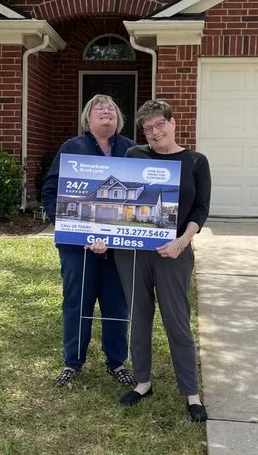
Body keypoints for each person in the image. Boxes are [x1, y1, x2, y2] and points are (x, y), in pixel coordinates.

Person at [112, 99, 211, 422]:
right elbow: (117, 201)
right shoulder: (134, 156)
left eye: (159, 124)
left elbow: (200, 210)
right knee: (139, 316)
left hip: (174, 252)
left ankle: (191, 393)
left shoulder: (195, 161)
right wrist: (101, 235)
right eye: (147, 129)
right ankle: (142, 382)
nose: (154, 133)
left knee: (177, 320)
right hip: (133, 252)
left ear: (172, 122)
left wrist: (182, 242)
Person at [41, 94, 137, 388]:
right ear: (88, 118)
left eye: (112, 108)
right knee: (76, 302)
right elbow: (50, 192)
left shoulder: (132, 150)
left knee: (117, 305)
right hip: (77, 248)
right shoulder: (73, 148)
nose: (106, 111)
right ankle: (72, 362)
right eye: (99, 107)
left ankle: (117, 362)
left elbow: (145, 190)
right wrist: (72, 230)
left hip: (120, 248)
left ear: (118, 118)